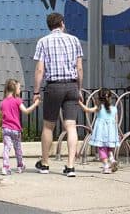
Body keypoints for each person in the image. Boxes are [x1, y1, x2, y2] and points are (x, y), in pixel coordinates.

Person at [32, 11, 85, 177]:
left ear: (49, 26)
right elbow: (80, 69)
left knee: (48, 126)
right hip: (71, 86)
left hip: (53, 87)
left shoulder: (43, 42)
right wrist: (79, 88)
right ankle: (70, 166)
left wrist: (36, 91)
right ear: (62, 23)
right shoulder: (74, 40)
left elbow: (40, 69)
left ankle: (45, 163)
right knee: (71, 126)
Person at [0, 78, 40, 175]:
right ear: (14, 89)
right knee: (18, 148)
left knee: (6, 148)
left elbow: (3, 114)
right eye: (19, 88)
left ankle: (5, 167)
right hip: (15, 129)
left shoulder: (3, 102)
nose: (20, 90)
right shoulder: (17, 100)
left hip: (6, 128)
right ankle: (20, 165)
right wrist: (35, 104)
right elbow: (26, 111)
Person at [79, 88, 121, 174]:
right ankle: (112, 158)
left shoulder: (98, 107)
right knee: (110, 147)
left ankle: (106, 166)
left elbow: (87, 110)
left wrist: (79, 103)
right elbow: (116, 121)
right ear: (110, 97)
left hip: (101, 132)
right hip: (112, 132)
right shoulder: (114, 109)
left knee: (102, 148)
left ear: (99, 98)